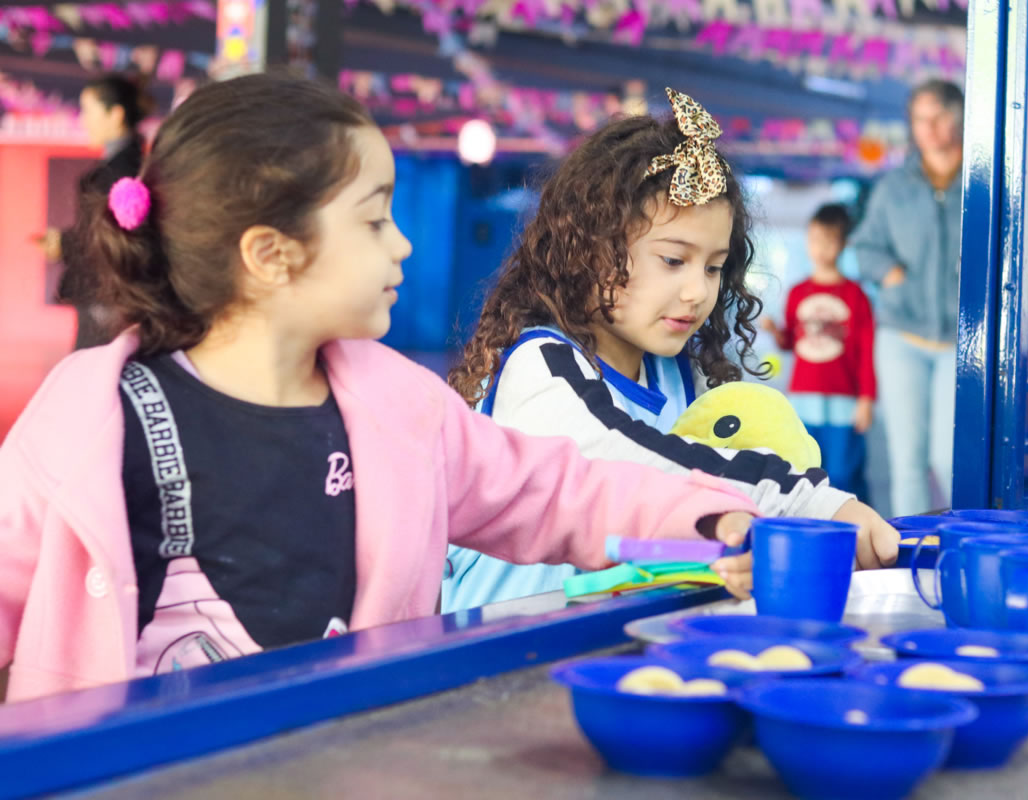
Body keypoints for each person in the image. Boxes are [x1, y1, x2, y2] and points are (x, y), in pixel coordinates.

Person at [0, 74, 759, 703]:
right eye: (373, 221)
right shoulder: (90, 420)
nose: (403, 243)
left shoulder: (401, 411)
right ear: (271, 254)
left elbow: (556, 494)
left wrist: (710, 517)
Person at [442, 89, 899, 612]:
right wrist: (811, 502)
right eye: (673, 261)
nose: (698, 292)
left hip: (620, 633)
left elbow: (740, 453)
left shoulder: (678, 373)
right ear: (592, 250)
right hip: (499, 647)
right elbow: (637, 464)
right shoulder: (540, 367)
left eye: (712, 267)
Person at [850, 79, 964, 516]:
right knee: (907, 461)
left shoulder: (981, 181)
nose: (930, 128)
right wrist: (889, 273)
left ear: (958, 116)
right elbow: (865, 246)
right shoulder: (894, 187)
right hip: (901, 335)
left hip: (961, 340)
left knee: (950, 459)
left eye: (939, 117)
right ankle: (909, 552)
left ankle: (971, 544)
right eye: (921, 119)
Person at [761, 204, 875, 501]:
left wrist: (866, 400)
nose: (820, 248)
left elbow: (866, 351)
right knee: (805, 469)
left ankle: (855, 529)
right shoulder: (798, 292)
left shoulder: (855, 295)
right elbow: (791, 343)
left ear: (843, 244)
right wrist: (776, 332)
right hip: (803, 395)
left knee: (843, 472)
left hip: (844, 397)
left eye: (828, 240)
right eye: (814, 239)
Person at [38, 73, 152, 349]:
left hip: (109, 295)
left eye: (88, 111)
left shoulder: (120, 174)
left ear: (116, 114)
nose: (83, 120)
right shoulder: (130, 166)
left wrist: (64, 242)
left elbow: (109, 237)